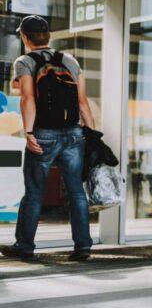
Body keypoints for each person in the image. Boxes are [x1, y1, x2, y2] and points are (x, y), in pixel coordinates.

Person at [1, 16, 95, 262]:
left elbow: (28, 99)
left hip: (43, 133)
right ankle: (83, 246)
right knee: (76, 192)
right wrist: (92, 135)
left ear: (25, 37)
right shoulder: (70, 60)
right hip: (74, 133)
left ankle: (24, 246)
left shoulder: (25, 61)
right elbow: (83, 102)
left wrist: (29, 132)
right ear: (48, 36)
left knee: (33, 192)